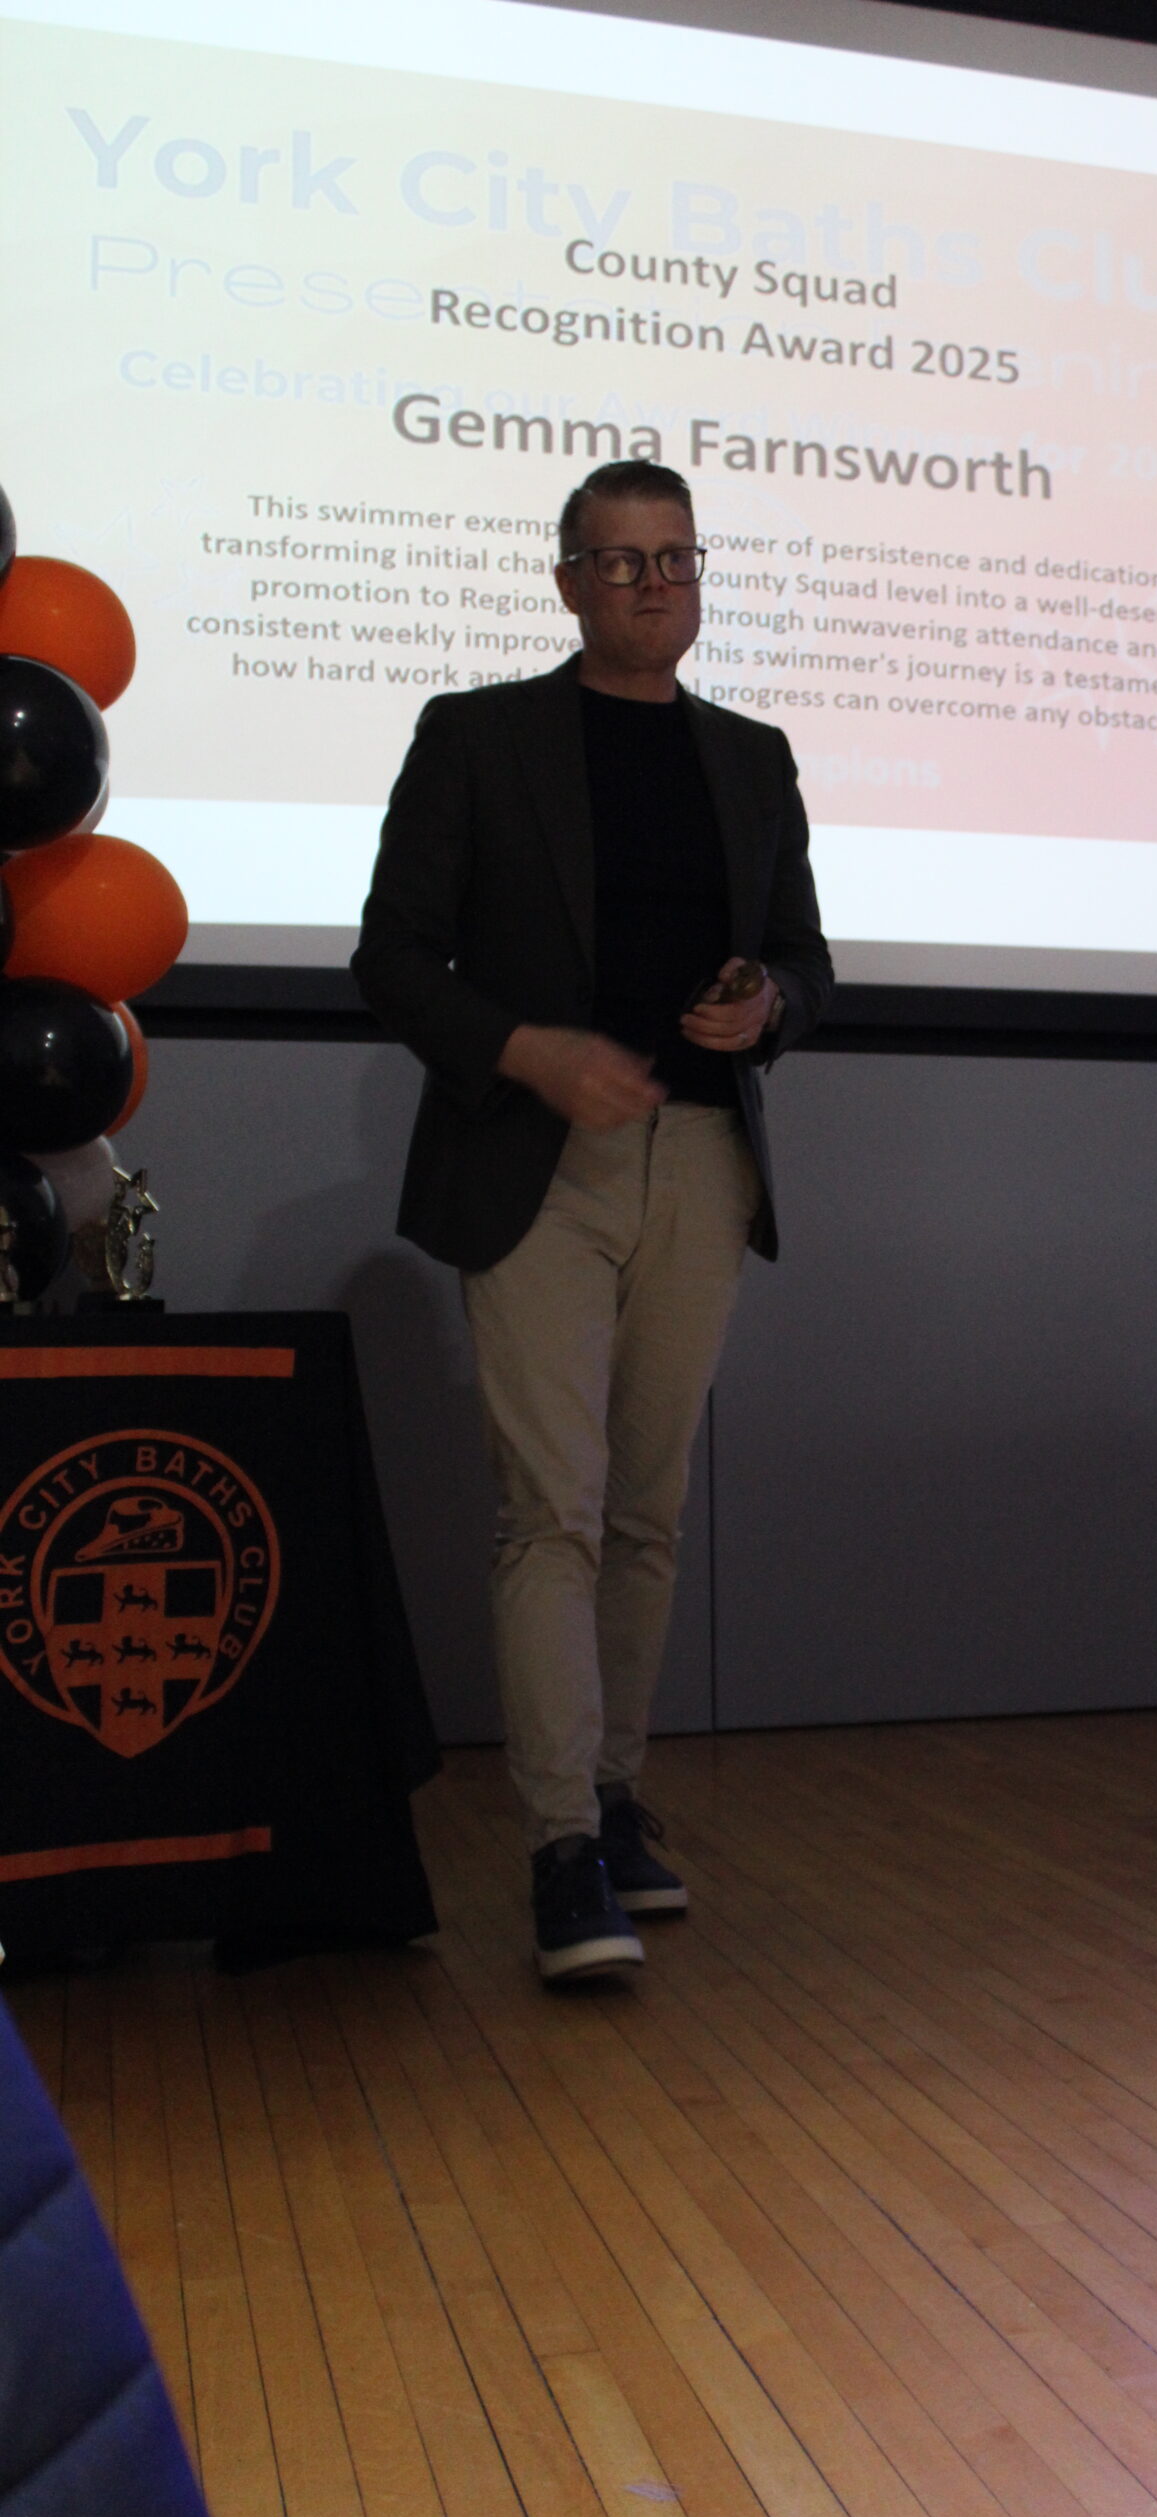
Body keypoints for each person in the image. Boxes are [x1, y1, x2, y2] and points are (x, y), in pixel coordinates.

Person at [353, 459, 833, 1981]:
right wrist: (526, 1050)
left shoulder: (751, 756)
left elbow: (807, 957)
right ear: (566, 582)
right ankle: (561, 1847)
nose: (653, 585)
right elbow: (391, 957)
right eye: (621, 562)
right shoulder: (478, 736)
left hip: (701, 1158)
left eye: (676, 557)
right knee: (549, 1512)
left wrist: (768, 1002)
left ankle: (617, 1803)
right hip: (537, 1162)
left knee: (647, 1512)